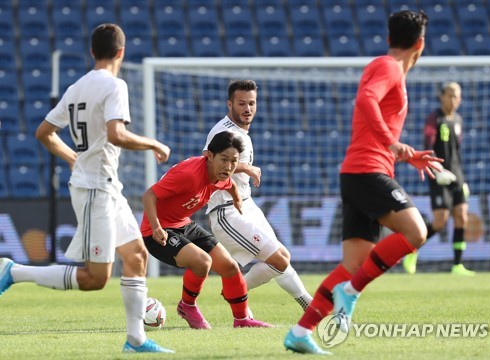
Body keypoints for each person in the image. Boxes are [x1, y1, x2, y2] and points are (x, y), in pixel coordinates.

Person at [0, 24, 174, 354]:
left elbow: (44, 132)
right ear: (121, 52)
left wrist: (71, 157)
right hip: (94, 188)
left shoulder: (77, 87)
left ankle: (136, 340)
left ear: (93, 52)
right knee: (96, 279)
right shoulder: (114, 85)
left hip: (107, 186)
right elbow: (116, 135)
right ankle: (15, 270)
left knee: (137, 256)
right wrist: (154, 143)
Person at [284, 10, 442, 354]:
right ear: (421, 43)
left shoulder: (389, 68)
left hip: (359, 171)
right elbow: (366, 99)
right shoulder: (388, 67)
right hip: (367, 171)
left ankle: (300, 331)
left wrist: (406, 154)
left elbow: (372, 107)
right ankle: (351, 292)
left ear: (389, 38)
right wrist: (391, 142)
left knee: (353, 264)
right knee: (416, 232)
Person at [141, 131, 273, 330]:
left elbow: (230, 185)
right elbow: (149, 195)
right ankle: (187, 306)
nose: (229, 167)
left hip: (183, 224)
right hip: (156, 231)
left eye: (234, 161)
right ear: (209, 156)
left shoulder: (221, 174)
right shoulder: (189, 175)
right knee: (202, 262)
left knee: (229, 266)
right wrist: (157, 227)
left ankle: (242, 319)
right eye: (224, 159)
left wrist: (237, 199)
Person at [202, 79, 312, 312]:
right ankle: (236, 291)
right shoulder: (224, 130)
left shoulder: (240, 133)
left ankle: (308, 304)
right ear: (229, 104)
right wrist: (246, 167)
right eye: (241, 103)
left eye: (252, 103)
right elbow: (206, 161)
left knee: (281, 258)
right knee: (279, 259)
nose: (247, 109)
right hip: (226, 210)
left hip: (246, 204)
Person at [402, 82, 475, 276]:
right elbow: (428, 142)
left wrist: (463, 180)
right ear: (441, 96)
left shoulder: (458, 120)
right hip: (439, 175)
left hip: (457, 176)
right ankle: (412, 251)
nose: (454, 100)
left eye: (457, 96)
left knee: (462, 217)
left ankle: (457, 265)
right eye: (450, 95)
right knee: (440, 221)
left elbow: (457, 153)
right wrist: (438, 170)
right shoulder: (435, 118)